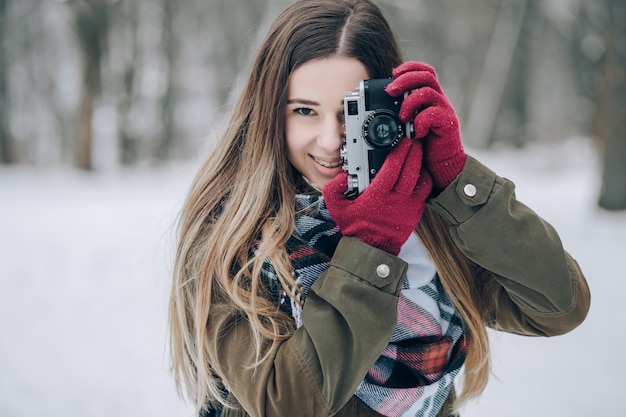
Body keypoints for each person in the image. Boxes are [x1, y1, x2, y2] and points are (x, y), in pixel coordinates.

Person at [168, 1, 591, 416]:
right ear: (268, 114)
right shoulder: (230, 234)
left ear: (388, 109)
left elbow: (559, 306)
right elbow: (288, 404)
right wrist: (372, 247)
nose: (331, 141)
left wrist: (457, 180)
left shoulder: (427, 215)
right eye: (305, 112)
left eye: (352, 113)